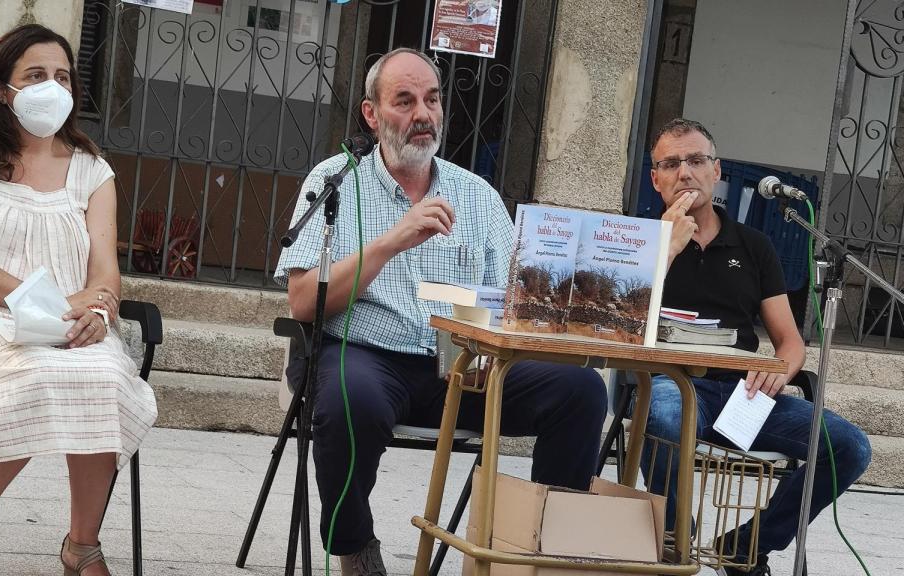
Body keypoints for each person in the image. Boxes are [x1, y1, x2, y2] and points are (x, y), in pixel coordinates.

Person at [275, 48, 607, 576]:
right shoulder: (335, 180)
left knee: (582, 391)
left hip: (461, 367)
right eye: (404, 101)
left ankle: (542, 551)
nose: (423, 114)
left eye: (431, 100)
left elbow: (516, 300)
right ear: (371, 114)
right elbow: (303, 302)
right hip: (363, 354)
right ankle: (355, 546)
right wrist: (391, 242)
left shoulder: (477, 196)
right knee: (347, 403)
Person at [0, 24, 158, 576]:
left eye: (62, 77)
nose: (52, 86)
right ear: (4, 88)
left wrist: (98, 310)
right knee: (34, 376)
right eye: (35, 76)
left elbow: (104, 272)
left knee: (105, 375)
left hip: (68, 322)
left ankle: (82, 545)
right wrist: (42, 300)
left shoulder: (92, 171)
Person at [640, 118, 871, 575]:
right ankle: (675, 545)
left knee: (849, 446)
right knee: (664, 416)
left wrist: (780, 371)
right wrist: (664, 248)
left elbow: (789, 342)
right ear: (656, 178)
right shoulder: (639, 238)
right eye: (671, 163)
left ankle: (745, 547)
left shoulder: (754, 246)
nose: (685, 173)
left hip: (739, 394)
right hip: (669, 384)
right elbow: (619, 322)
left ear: (716, 170)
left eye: (697, 160)